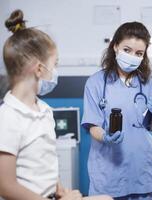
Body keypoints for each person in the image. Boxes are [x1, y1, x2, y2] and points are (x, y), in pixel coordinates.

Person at [0, 10, 112, 200]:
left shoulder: (44, 111)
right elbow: (5, 186)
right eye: (55, 64)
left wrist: (61, 190)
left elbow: (46, 164)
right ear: (39, 69)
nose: (55, 71)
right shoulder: (8, 117)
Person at [81, 22, 152, 199]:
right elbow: (92, 125)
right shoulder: (96, 83)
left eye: (139, 53)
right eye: (127, 50)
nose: (132, 56)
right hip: (109, 177)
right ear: (115, 47)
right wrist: (105, 136)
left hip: (143, 174)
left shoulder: (147, 84)